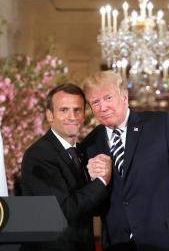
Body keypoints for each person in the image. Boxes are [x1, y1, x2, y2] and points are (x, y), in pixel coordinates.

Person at [81, 71, 169, 251]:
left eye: (108, 97)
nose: (103, 107)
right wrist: (94, 182)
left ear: (124, 97)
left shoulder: (162, 125)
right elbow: (93, 207)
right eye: (95, 102)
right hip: (116, 243)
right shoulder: (90, 144)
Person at [20, 83, 112, 251]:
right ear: (50, 115)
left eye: (77, 110)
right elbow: (62, 211)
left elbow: (90, 207)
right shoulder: (39, 155)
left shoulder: (81, 152)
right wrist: (100, 181)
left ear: (84, 114)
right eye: (64, 110)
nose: (72, 117)